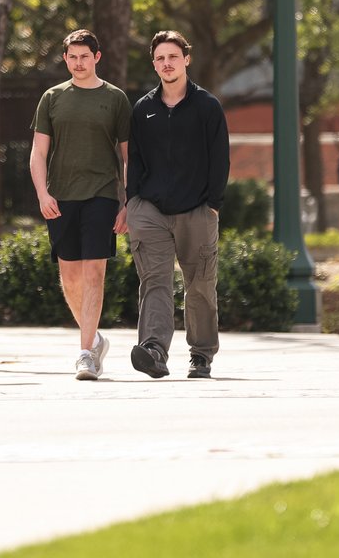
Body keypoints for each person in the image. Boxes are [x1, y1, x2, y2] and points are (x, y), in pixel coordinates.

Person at [126, 31, 229, 379]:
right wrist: (133, 202)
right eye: (160, 58)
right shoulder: (143, 109)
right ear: (154, 64)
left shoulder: (207, 107)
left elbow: (220, 159)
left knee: (199, 285)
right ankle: (154, 350)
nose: (166, 63)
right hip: (150, 210)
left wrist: (212, 206)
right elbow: (135, 160)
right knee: (154, 282)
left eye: (172, 56)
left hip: (197, 210)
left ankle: (201, 355)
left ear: (186, 59)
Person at [29, 29, 130, 381]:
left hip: (102, 195)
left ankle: (86, 354)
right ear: (65, 59)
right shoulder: (52, 98)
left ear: (97, 57)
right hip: (61, 197)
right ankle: (96, 339)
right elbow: (38, 152)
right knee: (70, 277)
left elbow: (128, 157)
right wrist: (42, 194)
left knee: (94, 273)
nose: (78, 63)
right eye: (72, 57)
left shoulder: (115, 98)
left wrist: (127, 202)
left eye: (84, 56)